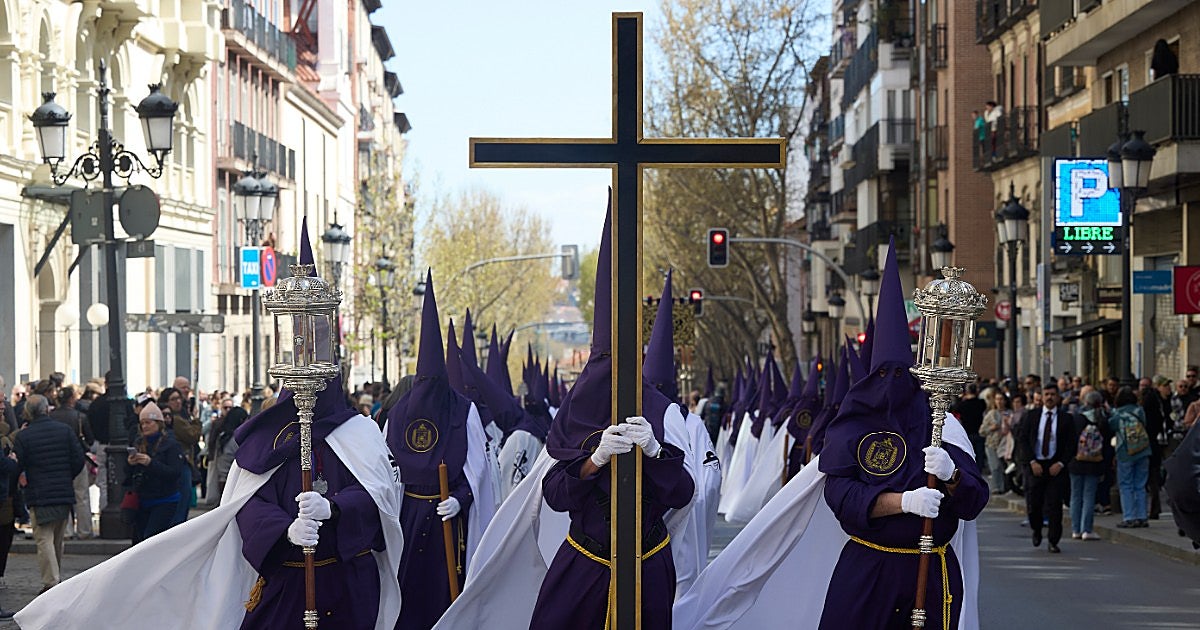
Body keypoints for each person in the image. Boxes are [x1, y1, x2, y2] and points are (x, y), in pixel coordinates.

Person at [528, 202, 694, 629]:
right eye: (602, 361)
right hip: (586, 561)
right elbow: (555, 495)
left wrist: (657, 452)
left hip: (649, 562)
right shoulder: (574, 415)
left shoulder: (662, 412)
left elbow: (684, 493)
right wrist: (592, 460)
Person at [386, 269, 497, 630]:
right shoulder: (400, 413)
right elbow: (386, 470)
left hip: (450, 522)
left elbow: (479, 473)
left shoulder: (463, 412)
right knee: (408, 594)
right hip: (408, 516)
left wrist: (461, 498)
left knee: (444, 593)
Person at [12, 394, 85, 593]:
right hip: (63, 491)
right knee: (57, 539)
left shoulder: (24, 436)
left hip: (39, 492)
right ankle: (56, 577)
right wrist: (66, 475)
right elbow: (78, 459)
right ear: (47, 409)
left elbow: (17, 465)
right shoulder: (65, 431)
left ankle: (51, 581)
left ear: (28, 412)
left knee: (44, 538)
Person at [1017, 383, 1078, 552]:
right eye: (1046, 394)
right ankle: (1036, 529)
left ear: (1058, 397)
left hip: (1055, 466)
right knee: (1034, 504)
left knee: (1054, 505)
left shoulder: (1066, 418)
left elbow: (1071, 444)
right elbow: (1022, 439)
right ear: (1042, 397)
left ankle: (1053, 540)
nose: (1049, 397)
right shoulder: (1032, 416)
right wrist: (1031, 461)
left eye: (1053, 394)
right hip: (1036, 465)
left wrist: (1061, 463)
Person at [125, 402, 184, 543]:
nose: (145, 426)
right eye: (142, 423)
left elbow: (174, 472)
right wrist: (131, 464)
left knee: (150, 538)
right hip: (143, 498)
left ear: (158, 423)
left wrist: (150, 463)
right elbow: (128, 474)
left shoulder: (171, 444)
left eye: (148, 422)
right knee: (139, 541)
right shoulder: (139, 443)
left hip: (165, 499)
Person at [48, 386, 95, 539]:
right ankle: (84, 531)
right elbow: (90, 439)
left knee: (63, 497)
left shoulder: (51, 416)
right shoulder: (80, 416)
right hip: (78, 459)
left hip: (57, 462)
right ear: (71, 399)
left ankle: (66, 532)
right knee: (82, 496)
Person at [1069, 391, 1111, 540]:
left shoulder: (1077, 418)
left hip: (1076, 461)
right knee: (1089, 496)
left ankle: (1075, 529)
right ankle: (1087, 529)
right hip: (1094, 462)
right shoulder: (1102, 420)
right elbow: (1106, 444)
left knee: (1075, 495)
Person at [1109, 387, 1152, 528]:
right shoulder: (1139, 411)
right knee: (1140, 484)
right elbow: (1145, 424)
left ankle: (1129, 517)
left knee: (1126, 484)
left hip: (1125, 451)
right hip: (1143, 450)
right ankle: (1142, 516)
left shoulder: (1117, 413)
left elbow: (1111, 427)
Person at [159, 386, 200, 525]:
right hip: (180, 462)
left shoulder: (180, 416)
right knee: (182, 500)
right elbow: (192, 436)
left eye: (179, 398)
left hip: (181, 461)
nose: (178, 402)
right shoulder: (176, 420)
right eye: (173, 399)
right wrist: (196, 420)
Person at [978, 390, 1009, 494]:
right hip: (992, 444)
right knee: (995, 466)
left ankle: (1005, 486)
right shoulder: (991, 414)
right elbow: (982, 431)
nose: (999, 402)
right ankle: (997, 487)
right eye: (997, 399)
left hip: (1005, 444)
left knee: (1005, 466)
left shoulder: (1008, 413)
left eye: (1001, 399)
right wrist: (991, 428)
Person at [954, 384, 988, 468]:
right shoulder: (981, 402)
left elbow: (955, 409)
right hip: (979, 431)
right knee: (980, 454)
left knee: (969, 454)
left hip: (967, 432)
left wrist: (961, 398)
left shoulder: (962, 404)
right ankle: (979, 470)